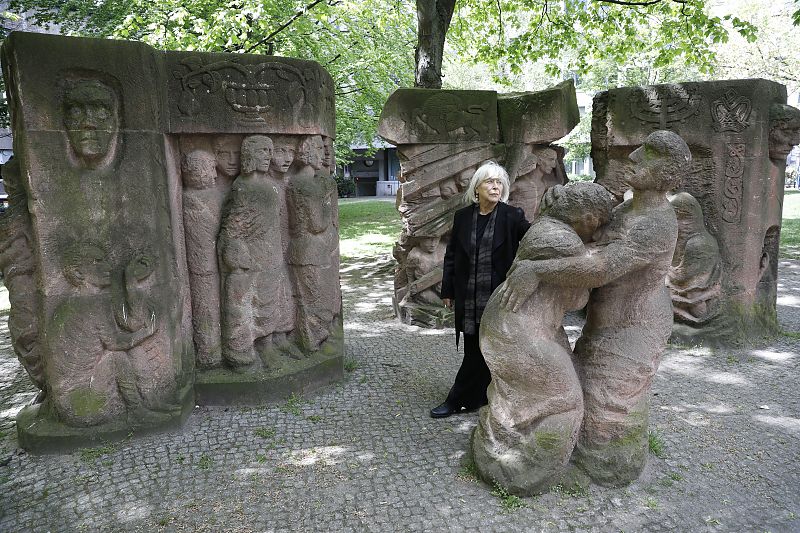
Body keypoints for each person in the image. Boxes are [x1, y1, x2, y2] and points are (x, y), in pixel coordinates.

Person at [497, 130, 689, 486]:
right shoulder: (625, 209)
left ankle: (610, 470)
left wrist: (536, 271)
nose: (633, 157)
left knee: (611, 406)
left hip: (634, 326)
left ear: (667, 174)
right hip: (602, 321)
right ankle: (574, 458)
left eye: (647, 154)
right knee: (584, 391)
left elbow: (602, 268)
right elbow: (589, 244)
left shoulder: (656, 223)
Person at [430, 161, 531, 418]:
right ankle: (477, 399)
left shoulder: (512, 216)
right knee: (474, 347)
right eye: (490, 181)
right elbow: (452, 256)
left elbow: (533, 240)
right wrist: (448, 290)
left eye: (499, 182)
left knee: (486, 350)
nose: (495, 186)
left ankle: (455, 399)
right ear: (477, 187)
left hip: (498, 298)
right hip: (469, 297)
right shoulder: (463, 217)